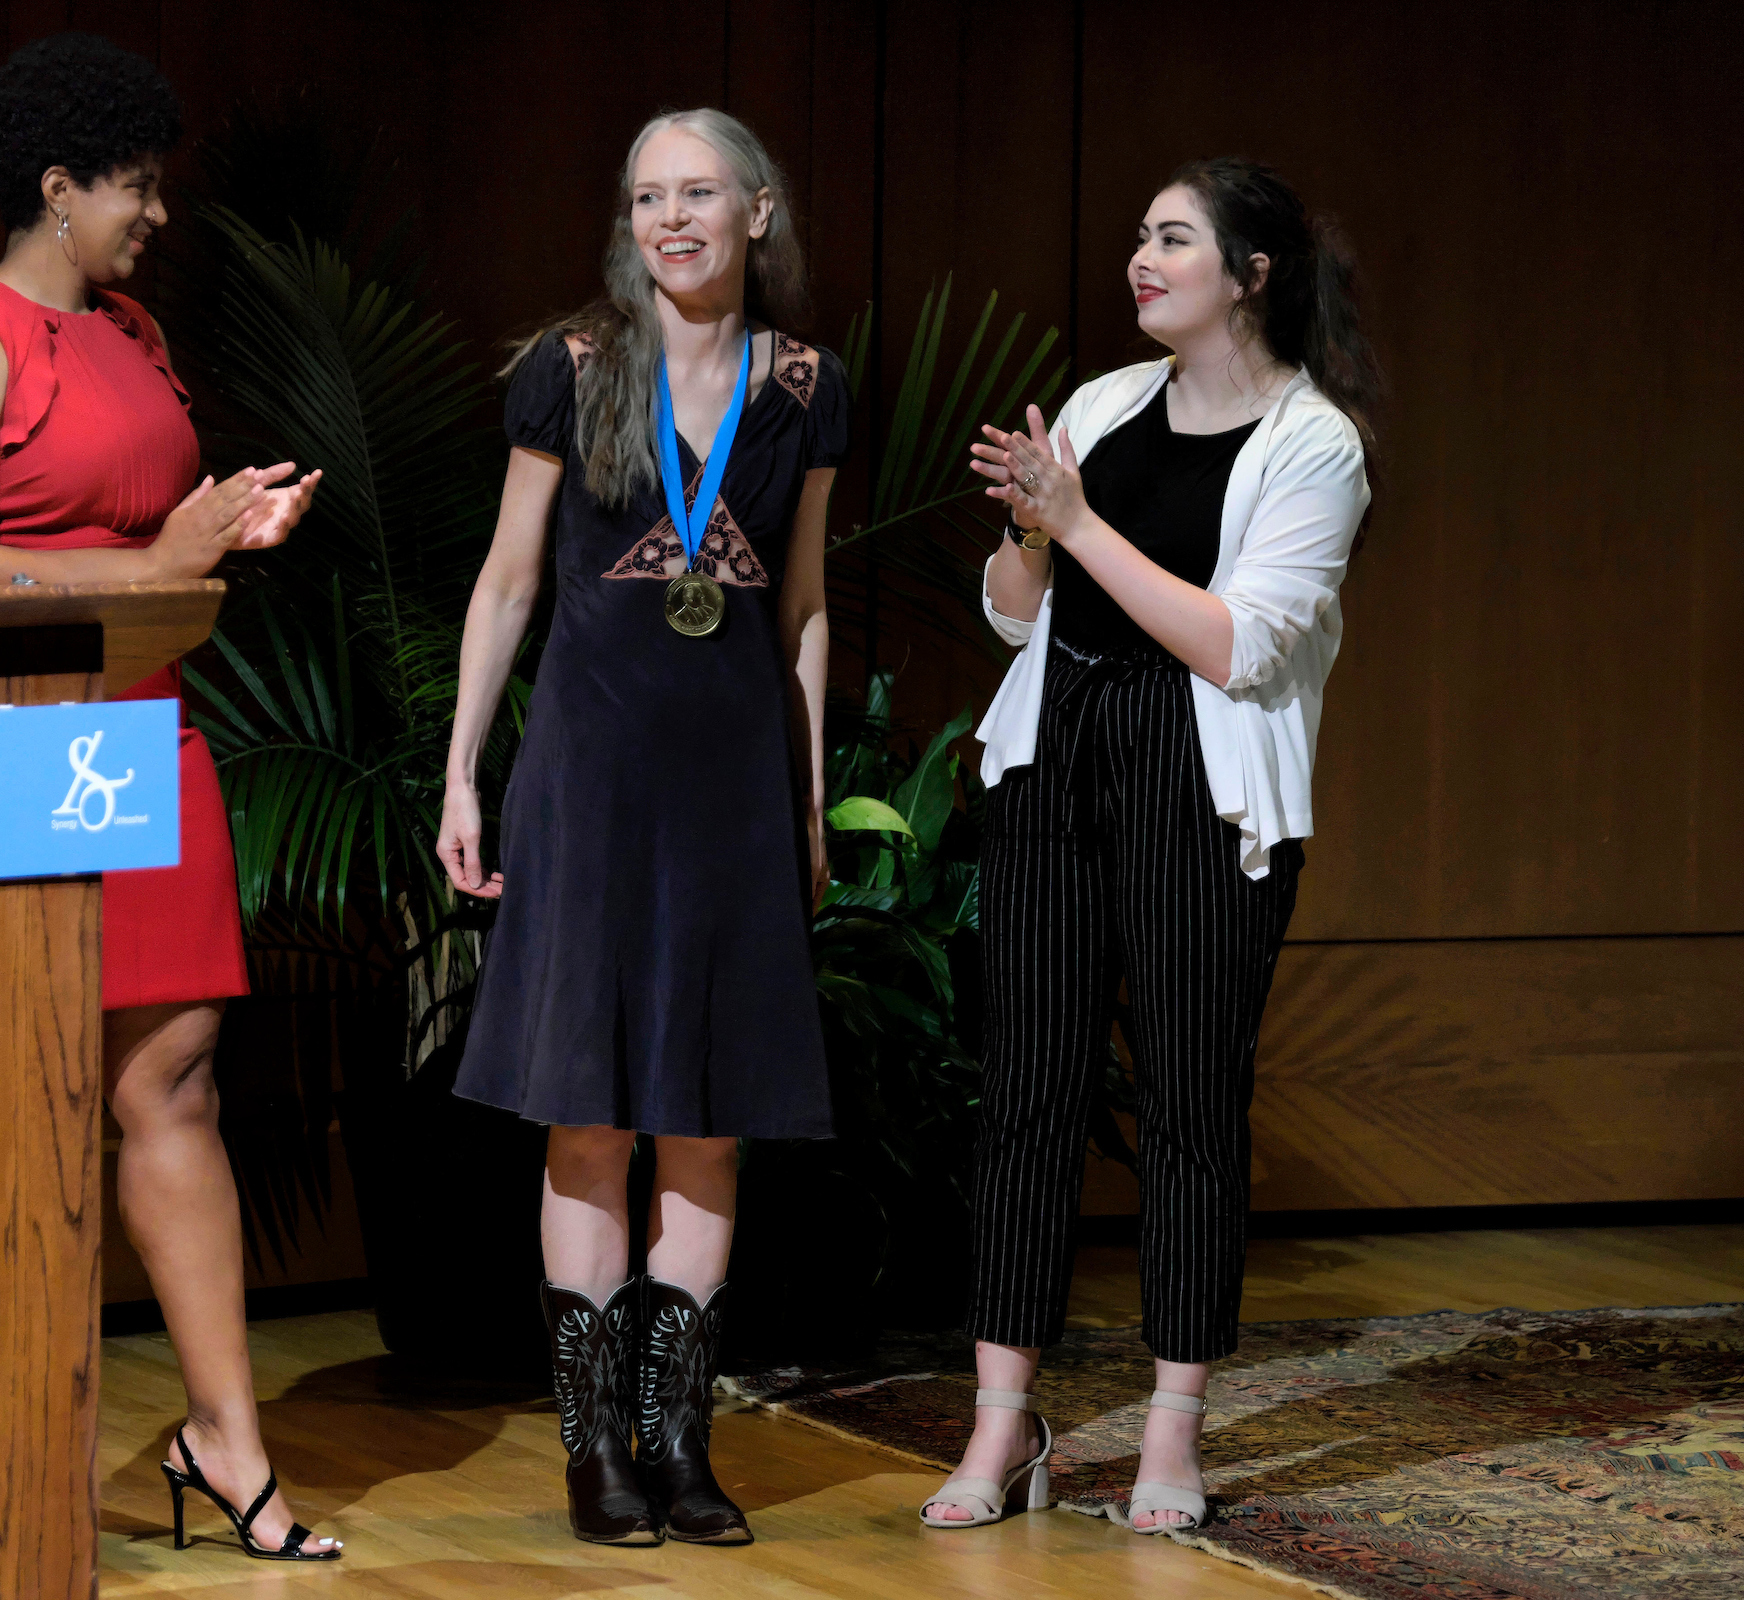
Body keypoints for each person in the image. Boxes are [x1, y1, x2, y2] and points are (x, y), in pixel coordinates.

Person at [0, 34, 334, 1563]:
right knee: (23, 1099)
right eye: (134, 187)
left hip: (151, 716)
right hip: (17, 738)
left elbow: (150, 523)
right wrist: (152, 563)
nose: (156, 212)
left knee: (176, 1077)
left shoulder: (133, 327)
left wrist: (221, 529)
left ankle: (226, 1440)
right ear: (59, 187)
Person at [922, 157, 1380, 1535]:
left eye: (1172, 238)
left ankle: (1175, 1424)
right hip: (1056, 755)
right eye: (1139, 234)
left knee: (1188, 1101)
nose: (1141, 255)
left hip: (1201, 780)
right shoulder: (1105, 406)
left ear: (1249, 275)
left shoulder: (1317, 445)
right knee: (1028, 1094)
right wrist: (1028, 535)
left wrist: (1078, 523)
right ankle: (1003, 1418)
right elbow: (1019, 618)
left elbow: (1240, 648)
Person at [437, 108, 845, 1548]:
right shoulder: (575, 369)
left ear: (758, 210)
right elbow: (503, 586)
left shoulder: (804, 385)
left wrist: (804, 799)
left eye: (699, 194)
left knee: (708, 1127)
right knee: (592, 1120)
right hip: (589, 784)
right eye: (647, 197)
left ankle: (681, 1447)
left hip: (732, 794)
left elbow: (798, 607)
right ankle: (594, 1455)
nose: (671, 219)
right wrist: (463, 772)